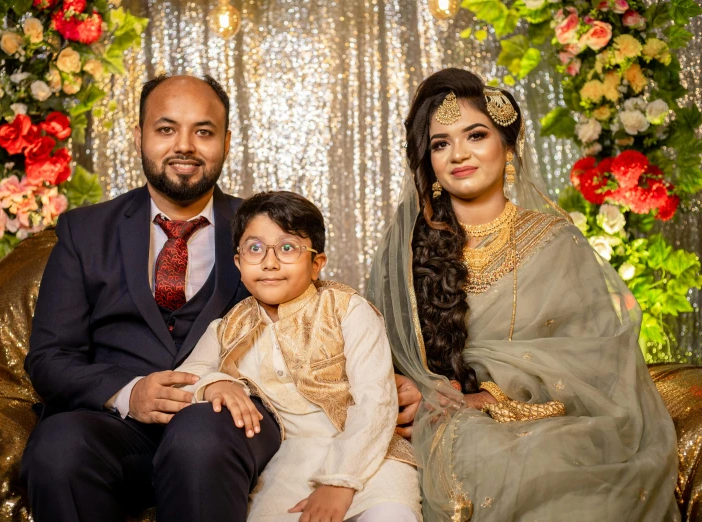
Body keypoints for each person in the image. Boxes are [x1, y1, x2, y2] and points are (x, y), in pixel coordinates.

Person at [21, 74, 421, 522]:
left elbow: (317, 307)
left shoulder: (260, 229)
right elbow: (50, 358)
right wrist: (130, 394)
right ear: (139, 137)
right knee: (56, 448)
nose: (185, 146)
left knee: (200, 435)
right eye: (166, 128)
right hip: (119, 426)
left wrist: (394, 378)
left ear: (226, 141)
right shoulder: (85, 231)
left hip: (232, 423)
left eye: (204, 131)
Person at [367, 68, 680, 521]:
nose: (458, 153)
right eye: (440, 143)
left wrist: (491, 394)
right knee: (476, 450)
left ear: (507, 147)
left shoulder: (555, 241)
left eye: (475, 135)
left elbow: (597, 358)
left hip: (546, 419)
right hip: (432, 424)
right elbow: (369, 342)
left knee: (556, 472)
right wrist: (406, 385)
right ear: (429, 162)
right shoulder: (406, 243)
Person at [173, 191, 422, 522]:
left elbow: (377, 401)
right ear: (238, 263)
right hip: (289, 469)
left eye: (287, 248)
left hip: (371, 458)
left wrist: (340, 483)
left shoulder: (349, 310)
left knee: (391, 517)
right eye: (255, 248)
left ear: (316, 263)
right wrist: (216, 383)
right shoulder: (228, 327)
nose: (270, 262)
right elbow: (187, 378)